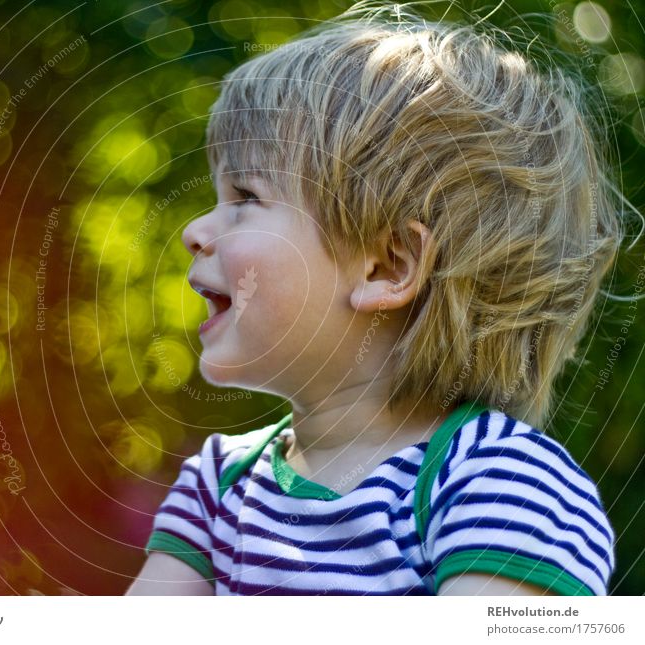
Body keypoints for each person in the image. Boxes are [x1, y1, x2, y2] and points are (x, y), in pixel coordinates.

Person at [126, 1, 624, 595]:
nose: (196, 231)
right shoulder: (218, 487)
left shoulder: (501, 487)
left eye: (245, 197)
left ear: (388, 266)